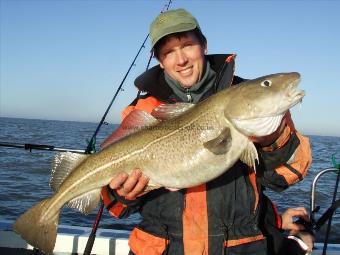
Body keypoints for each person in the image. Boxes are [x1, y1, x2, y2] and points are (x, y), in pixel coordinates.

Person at [100, 8, 313, 255]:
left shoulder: (250, 100)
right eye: (169, 52)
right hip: (161, 248)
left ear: (204, 45)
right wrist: (124, 194)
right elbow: (117, 205)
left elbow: (285, 175)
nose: (181, 60)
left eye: (188, 45)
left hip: (237, 247)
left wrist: (272, 140)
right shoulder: (142, 111)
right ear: (160, 60)